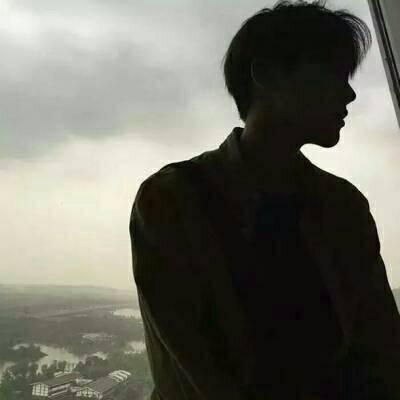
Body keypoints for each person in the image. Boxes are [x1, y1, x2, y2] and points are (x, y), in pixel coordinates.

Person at [129, 1, 400, 399]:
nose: (349, 93)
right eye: (333, 74)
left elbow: (382, 349)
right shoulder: (171, 201)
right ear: (267, 75)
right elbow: (190, 376)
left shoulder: (345, 206)